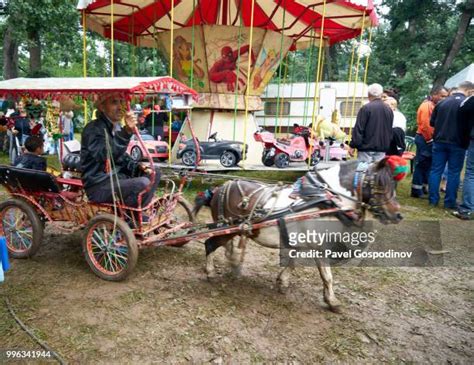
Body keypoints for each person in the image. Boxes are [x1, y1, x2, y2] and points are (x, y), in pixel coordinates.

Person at [80, 93, 160, 209]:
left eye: (121, 102)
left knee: (154, 172)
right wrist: (126, 132)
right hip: (98, 185)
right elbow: (106, 156)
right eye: (114, 102)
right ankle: (130, 217)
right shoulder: (93, 129)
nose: (120, 107)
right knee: (143, 183)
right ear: (102, 107)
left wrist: (137, 166)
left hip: (116, 178)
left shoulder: (113, 127)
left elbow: (121, 157)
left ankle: (137, 212)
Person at [428, 81, 474, 209]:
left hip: (439, 140)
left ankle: (433, 199)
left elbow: (432, 123)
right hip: (458, 142)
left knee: (436, 170)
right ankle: (450, 202)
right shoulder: (467, 104)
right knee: (454, 172)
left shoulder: (442, 102)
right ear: (470, 91)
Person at [411, 86, 449, 198]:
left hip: (428, 139)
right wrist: (430, 140)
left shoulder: (434, 105)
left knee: (428, 164)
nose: (444, 99)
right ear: (434, 94)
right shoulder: (427, 106)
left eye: (446, 96)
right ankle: (416, 190)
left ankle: (423, 187)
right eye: (442, 96)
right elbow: (426, 125)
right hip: (424, 138)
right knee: (421, 164)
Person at [349, 83, 393, 162]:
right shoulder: (388, 110)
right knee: (377, 172)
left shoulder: (366, 108)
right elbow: (389, 129)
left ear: (368, 94)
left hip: (365, 148)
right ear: (381, 94)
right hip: (382, 147)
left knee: (363, 172)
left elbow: (359, 129)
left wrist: (353, 145)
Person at [453, 93, 474, 220]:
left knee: (471, 173)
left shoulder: (470, 101)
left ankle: (467, 209)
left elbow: (461, 112)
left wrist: (463, 138)